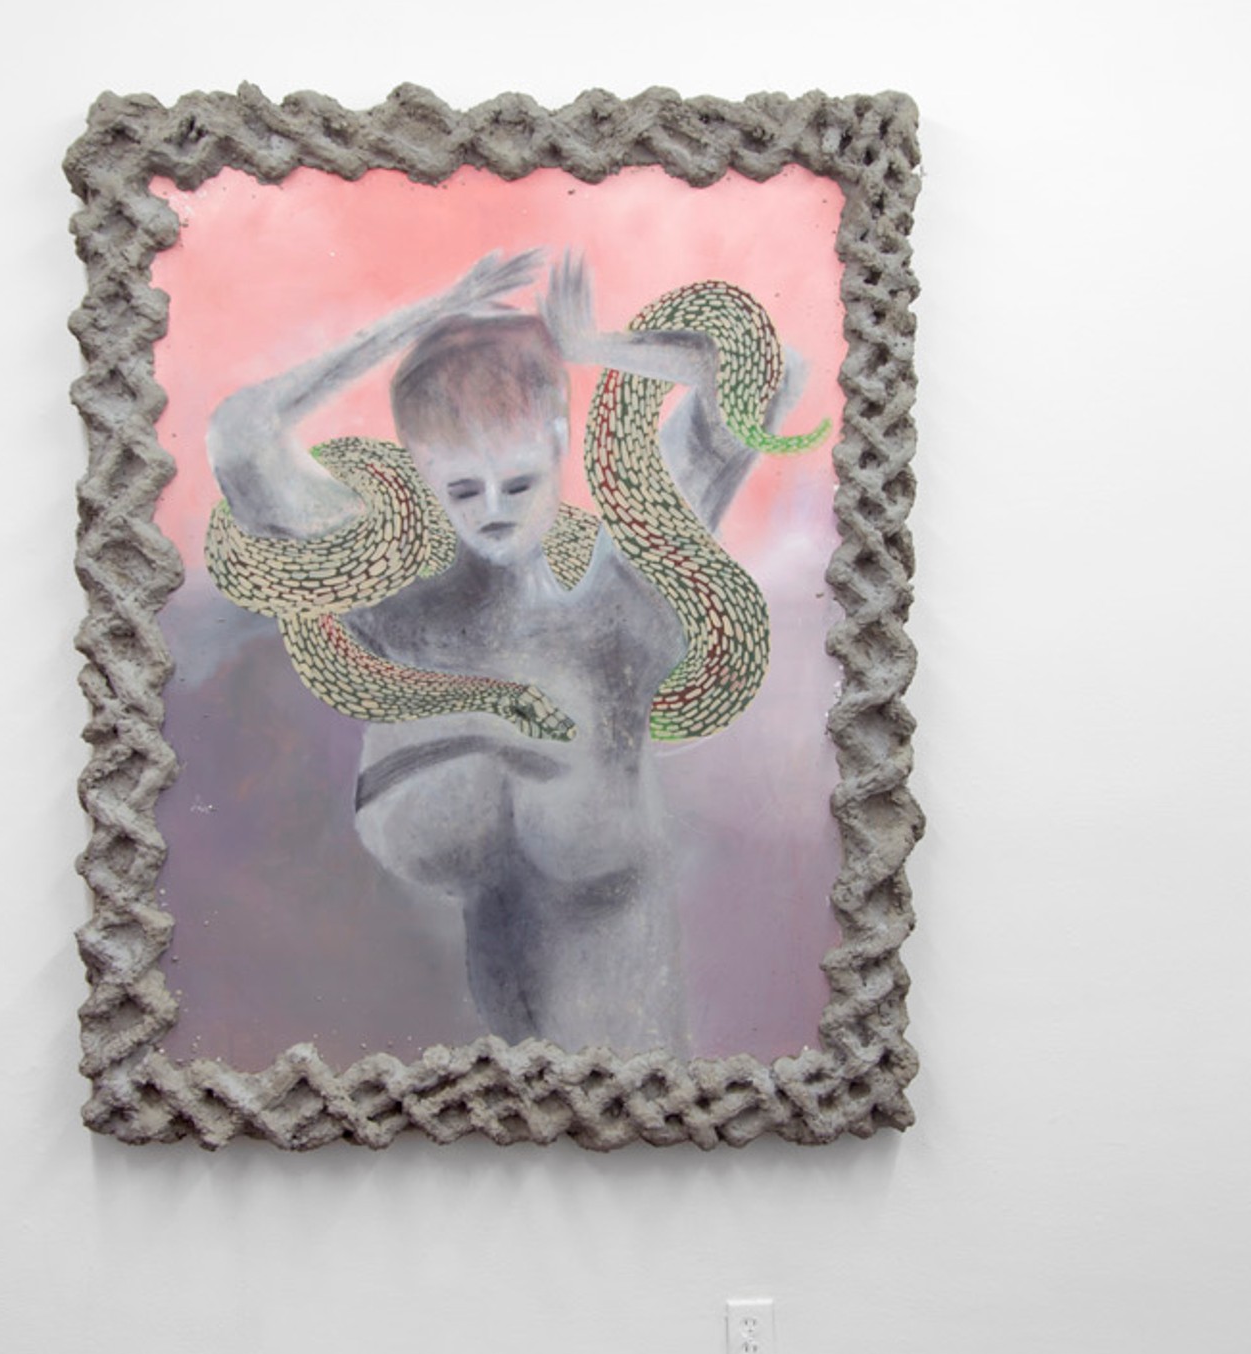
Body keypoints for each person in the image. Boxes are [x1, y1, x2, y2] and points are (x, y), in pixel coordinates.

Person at [204, 248, 805, 1055]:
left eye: (518, 482)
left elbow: (762, 372)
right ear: (422, 471)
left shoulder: (628, 599)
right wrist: (433, 311)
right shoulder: (397, 603)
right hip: (432, 1095)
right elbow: (238, 434)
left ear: (559, 446)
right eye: (462, 488)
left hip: (625, 1067)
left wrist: (592, 348)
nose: (492, 509)